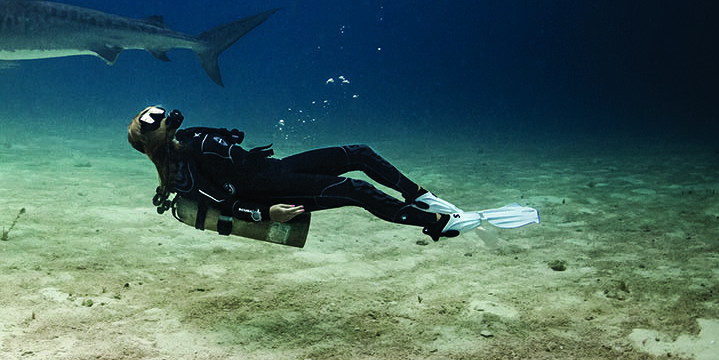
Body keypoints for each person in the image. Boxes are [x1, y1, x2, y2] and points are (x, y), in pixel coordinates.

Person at [126, 105, 539, 241]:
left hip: (276, 169)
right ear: (155, 139)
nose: (167, 114)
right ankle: (436, 224)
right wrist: (268, 216)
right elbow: (228, 204)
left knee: (357, 152)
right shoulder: (181, 175)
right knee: (358, 190)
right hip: (272, 193)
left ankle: (418, 195)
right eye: (158, 119)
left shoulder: (188, 135)